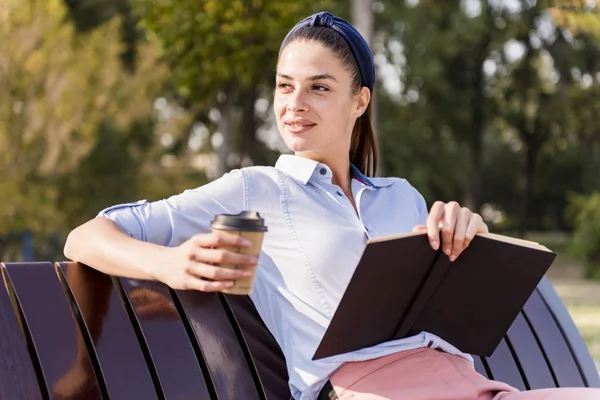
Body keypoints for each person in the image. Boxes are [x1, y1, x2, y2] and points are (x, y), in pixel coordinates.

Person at [64, 11, 600, 400]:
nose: (294, 105)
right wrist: (169, 265)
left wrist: (470, 236)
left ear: (359, 101)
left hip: (467, 384)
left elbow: (447, 310)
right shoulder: (255, 191)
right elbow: (86, 236)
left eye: (318, 87)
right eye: (284, 87)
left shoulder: (402, 196)